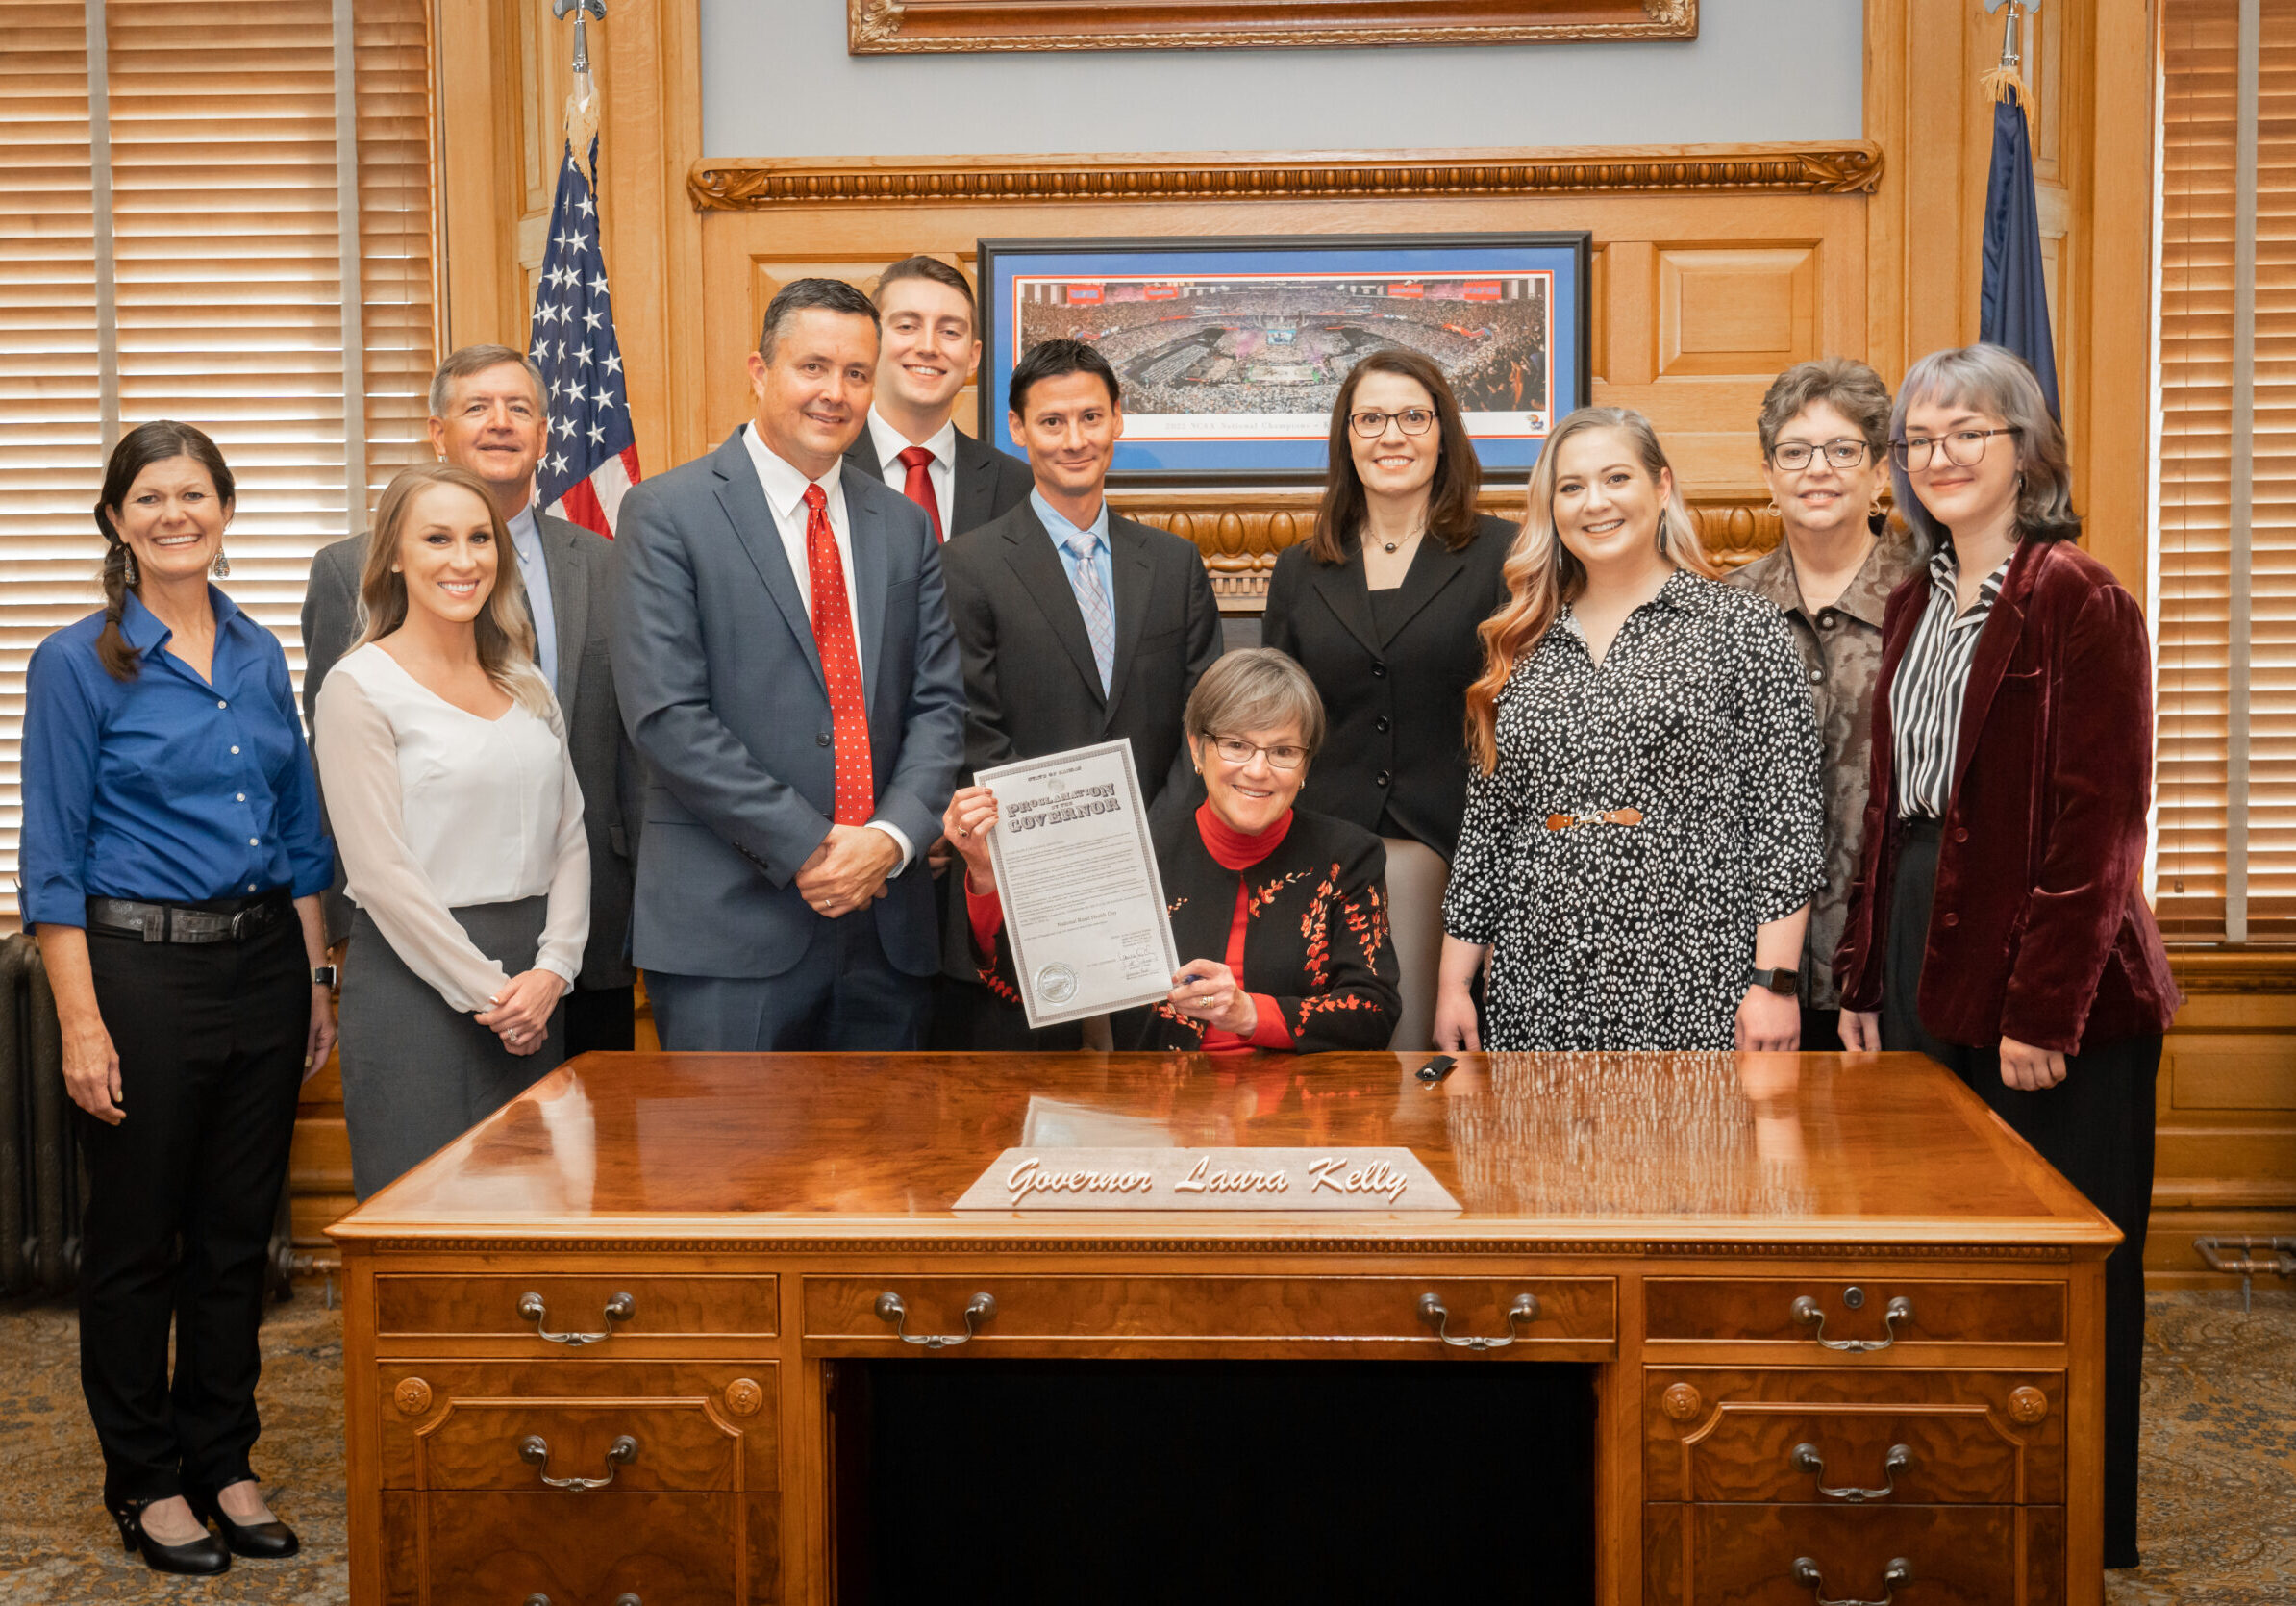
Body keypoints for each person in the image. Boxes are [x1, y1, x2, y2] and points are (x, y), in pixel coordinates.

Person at [1834, 344, 2180, 1570]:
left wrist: (2046, 1008)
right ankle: (1970, 1503)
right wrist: (1865, 976)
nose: (1938, 457)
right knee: (1946, 1250)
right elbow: (1892, 808)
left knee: (2069, 1263)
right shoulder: (1916, 599)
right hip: (1929, 935)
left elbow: (2100, 823)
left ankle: (2083, 1523)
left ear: (2024, 449)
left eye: (1965, 433)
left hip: (2058, 969)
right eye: (1919, 440)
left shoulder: (2078, 594)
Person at [22, 421, 335, 1573]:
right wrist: (83, 1020)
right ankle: (145, 1479)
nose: (173, 514)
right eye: (149, 496)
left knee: (233, 1236)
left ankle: (226, 1456)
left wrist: (314, 978)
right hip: (139, 973)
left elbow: (298, 832)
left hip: (262, 963)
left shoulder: (256, 653)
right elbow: (51, 857)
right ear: (116, 520)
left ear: (223, 510)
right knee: (136, 1241)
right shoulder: (77, 661)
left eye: (193, 493)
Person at [612, 277, 965, 1051]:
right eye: (813, 367)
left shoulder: (903, 527)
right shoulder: (667, 514)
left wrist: (891, 841)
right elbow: (667, 718)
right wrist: (813, 846)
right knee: (732, 1173)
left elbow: (940, 708)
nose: (834, 393)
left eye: (856, 374)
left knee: (891, 1169)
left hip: (887, 928)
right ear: (759, 371)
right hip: (730, 935)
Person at [1434, 406, 1824, 1053]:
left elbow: (1785, 819)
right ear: (1551, 507)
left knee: (1692, 1151)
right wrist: (1454, 985)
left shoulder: (1740, 628)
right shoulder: (1520, 641)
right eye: (1571, 487)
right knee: (1540, 1154)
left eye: (1617, 478)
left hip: (1695, 971)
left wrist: (1775, 984)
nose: (1595, 503)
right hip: (1539, 977)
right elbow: (1488, 829)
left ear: (1661, 487)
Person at [303, 346, 636, 1055]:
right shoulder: (344, 572)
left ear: (546, 435)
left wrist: (560, 957)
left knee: (582, 1160)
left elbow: (621, 754)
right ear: (438, 431)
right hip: (421, 941)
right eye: (477, 407)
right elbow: (345, 779)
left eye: (520, 409)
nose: (501, 424)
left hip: (587, 934)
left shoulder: (608, 562)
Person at [313, 462, 590, 1199]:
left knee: (539, 1214)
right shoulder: (358, 687)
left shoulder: (524, 679)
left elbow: (571, 836)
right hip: (418, 986)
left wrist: (553, 973)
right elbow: (381, 875)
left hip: (534, 983)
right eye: (437, 539)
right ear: (395, 556)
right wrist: (491, 995)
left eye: (480, 539)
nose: (463, 560)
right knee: (427, 1223)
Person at [937, 338, 1223, 1048]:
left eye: (1091, 418)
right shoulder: (968, 565)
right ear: (1018, 429)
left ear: (1119, 419)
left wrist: (1146, 842)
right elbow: (973, 723)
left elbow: (1205, 720)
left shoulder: (1173, 563)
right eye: (1053, 422)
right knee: (1028, 1111)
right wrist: (1053, 853)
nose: (1075, 440)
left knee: (1166, 1109)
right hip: (1028, 886)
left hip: (1160, 879)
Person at [945, 649, 1399, 1053]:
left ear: (1305, 766)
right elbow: (1024, 993)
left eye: (1283, 751)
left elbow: (1373, 1011)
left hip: (1302, 1115)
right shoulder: (1132, 852)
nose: (1258, 770)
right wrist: (986, 876)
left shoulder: (1349, 857)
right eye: (1236, 745)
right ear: (1198, 749)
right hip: (1159, 1117)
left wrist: (1247, 1013)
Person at [1260, 347, 1514, 1049]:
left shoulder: (1503, 556)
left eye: (1412, 416)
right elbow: (1278, 724)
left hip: (1461, 857)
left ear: (1444, 433)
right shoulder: (1300, 568)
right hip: (1320, 859)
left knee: (1440, 1082)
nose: (1392, 435)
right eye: (1370, 418)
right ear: (1346, 437)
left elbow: (1521, 730)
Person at [1726, 358, 1925, 1052]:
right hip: (1743, 973)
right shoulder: (1723, 611)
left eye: (1844, 450)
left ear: (1879, 473)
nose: (1818, 469)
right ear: (1768, 475)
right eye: (1795, 451)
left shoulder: (1932, 601)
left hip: (1896, 962)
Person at [844, 255, 1035, 541]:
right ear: (871, 342)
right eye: (907, 326)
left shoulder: (1018, 485)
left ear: (973, 357)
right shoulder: (823, 466)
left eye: (949, 331)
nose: (928, 347)